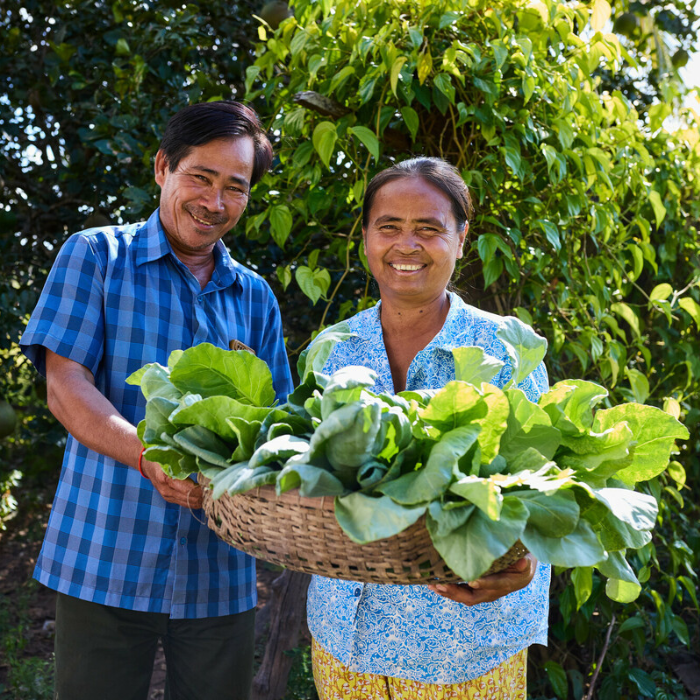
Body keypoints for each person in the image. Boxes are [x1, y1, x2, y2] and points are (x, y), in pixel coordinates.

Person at [20, 101, 293, 700]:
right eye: (200, 177)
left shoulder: (254, 297)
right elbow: (65, 386)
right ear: (163, 167)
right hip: (103, 555)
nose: (214, 203)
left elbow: (280, 426)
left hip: (220, 569)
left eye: (235, 188)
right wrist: (148, 454)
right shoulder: (96, 257)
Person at [307, 157, 550, 698]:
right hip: (344, 639)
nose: (406, 245)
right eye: (389, 226)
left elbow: (544, 486)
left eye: (429, 229)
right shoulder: (331, 350)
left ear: (462, 239)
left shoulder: (508, 350)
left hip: (465, 648)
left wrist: (527, 561)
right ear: (366, 236)